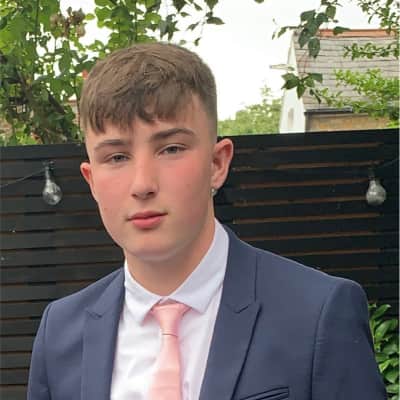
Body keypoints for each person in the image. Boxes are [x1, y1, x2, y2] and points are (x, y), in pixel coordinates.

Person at [27, 42, 386, 400]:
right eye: (117, 157)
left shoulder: (317, 313)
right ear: (91, 180)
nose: (142, 184)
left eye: (171, 149)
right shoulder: (60, 333)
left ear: (217, 164)